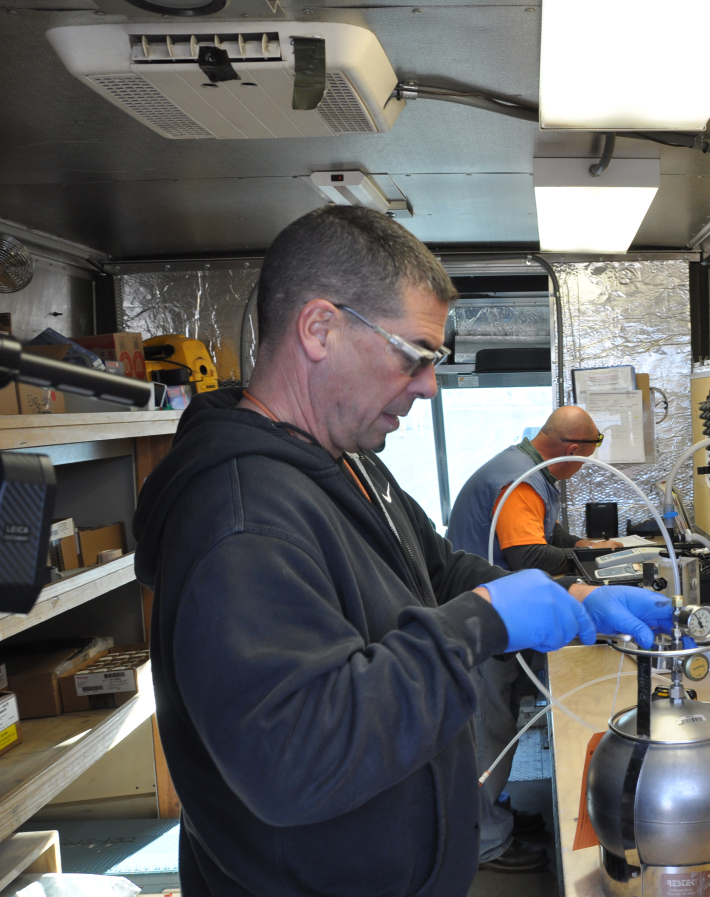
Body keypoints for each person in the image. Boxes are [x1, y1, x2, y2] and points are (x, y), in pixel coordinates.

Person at [132, 205, 672, 897]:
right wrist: (484, 618)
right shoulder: (242, 519)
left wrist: (578, 599)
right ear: (319, 328)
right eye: (414, 355)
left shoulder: (346, 459)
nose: (428, 385)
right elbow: (295, 754)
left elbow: (437, 569)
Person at [447, 406, 626, 872]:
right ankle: (486, 842)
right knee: (488, 731)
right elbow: (525, 552)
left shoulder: (526, 470)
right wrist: (581, 575)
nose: (587, 465)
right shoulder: (522, 481)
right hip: (482, 622)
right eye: (588, 455)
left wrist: (588, 548)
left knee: (495, 725)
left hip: (491, 614)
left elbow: (547, 534)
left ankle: (491, 816)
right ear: (571, 449)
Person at [448, 406, 623, 575]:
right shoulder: (520, 483)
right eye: (583, 459)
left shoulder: (528, 467)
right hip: (478, 594)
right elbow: (529, 558)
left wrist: (582, 545)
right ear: (572, 452)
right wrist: (589, 555)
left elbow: (550, 532)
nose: (582, 465)